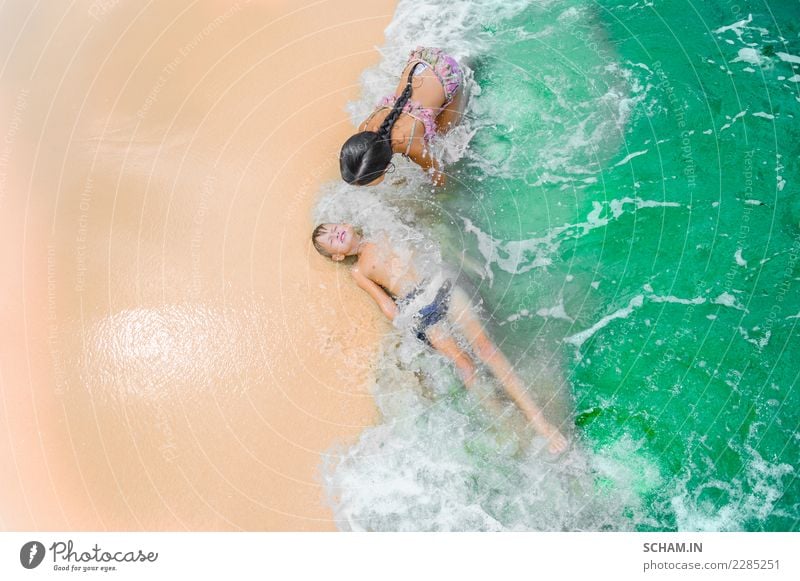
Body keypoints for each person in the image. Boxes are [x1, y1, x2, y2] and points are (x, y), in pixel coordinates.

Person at [311, 222, 569, 454]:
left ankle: (541, 424)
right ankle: (512, 429)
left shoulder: (382, 225)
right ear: (338, 256)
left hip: (438, 284)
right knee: (465, 366)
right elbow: (387, 306)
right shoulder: (358, 271)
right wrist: (407, 327)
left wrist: (461, 260)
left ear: (346, 222)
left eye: (334, 227)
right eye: (332, 239)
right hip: (420, 311)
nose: (336, 232)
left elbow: (426, 241)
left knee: (486, 348)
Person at [340, 47, 466, 187]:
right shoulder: (364, 128)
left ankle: (468, 68)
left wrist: (443, 194)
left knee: (443, 133)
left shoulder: (410, 144)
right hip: (421, 60)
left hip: (447, 72)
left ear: (386, 167)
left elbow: (437, 175)